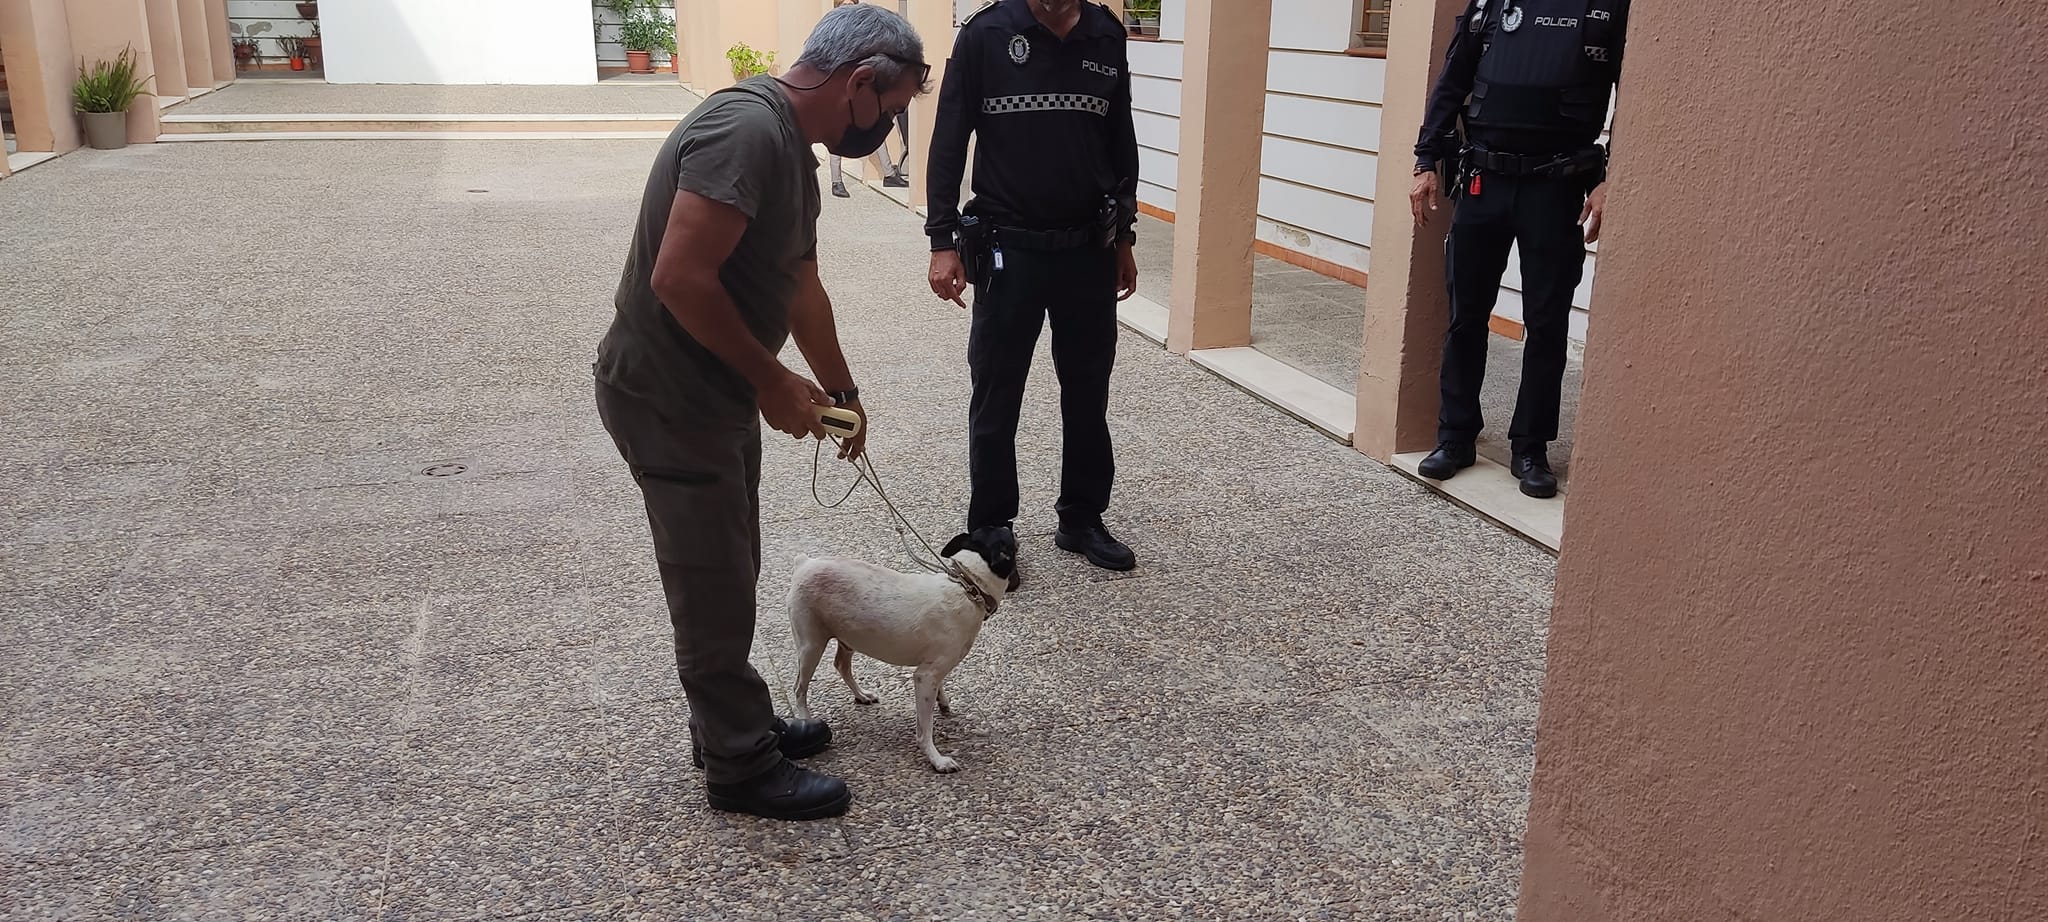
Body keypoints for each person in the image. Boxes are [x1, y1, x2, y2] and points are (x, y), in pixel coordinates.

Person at [591, 2, 928, 821]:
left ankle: (730, 723)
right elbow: (679, 276)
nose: (887, 129)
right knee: (711, 583)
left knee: (733, 564)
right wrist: (773, 381)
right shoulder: (745, 131)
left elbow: (802, 286)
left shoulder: (789, 148)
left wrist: (842, 393)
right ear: (858, 82)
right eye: (891, 109)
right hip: (670, 395)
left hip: (714, 394)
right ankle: (739, 765)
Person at [925, 0, 1141, 583]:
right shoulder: (985, 34)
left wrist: (1124, 238)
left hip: (1088, 249)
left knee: (1088, 389)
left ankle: (1082, 517)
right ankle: (991, 528)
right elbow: (949, 139)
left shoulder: (1105, 34)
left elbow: (1121, 142)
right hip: (1008, 249)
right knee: (996, 393)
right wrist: (941, 239)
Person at [1409, 0, 1628, 498]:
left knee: (1546, 324)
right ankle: (1455, 436)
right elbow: (1452, 82)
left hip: (1557, 187)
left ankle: (1530, 448)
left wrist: (1612, 178)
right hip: (1483, 181)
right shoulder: (1491, 5)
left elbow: (1633, 97)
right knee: (1465, 316)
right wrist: (1425, 161)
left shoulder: (1608, 8)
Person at [827, 0, 910, 198]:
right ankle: (836, 181)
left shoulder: (862, 32)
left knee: (874, 127)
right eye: (845, 5)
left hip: (861, 88)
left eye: (851, 4)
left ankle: (889, 174)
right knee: (837, 134)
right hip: (840, 89)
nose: (849, 8)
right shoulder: (832, 32)